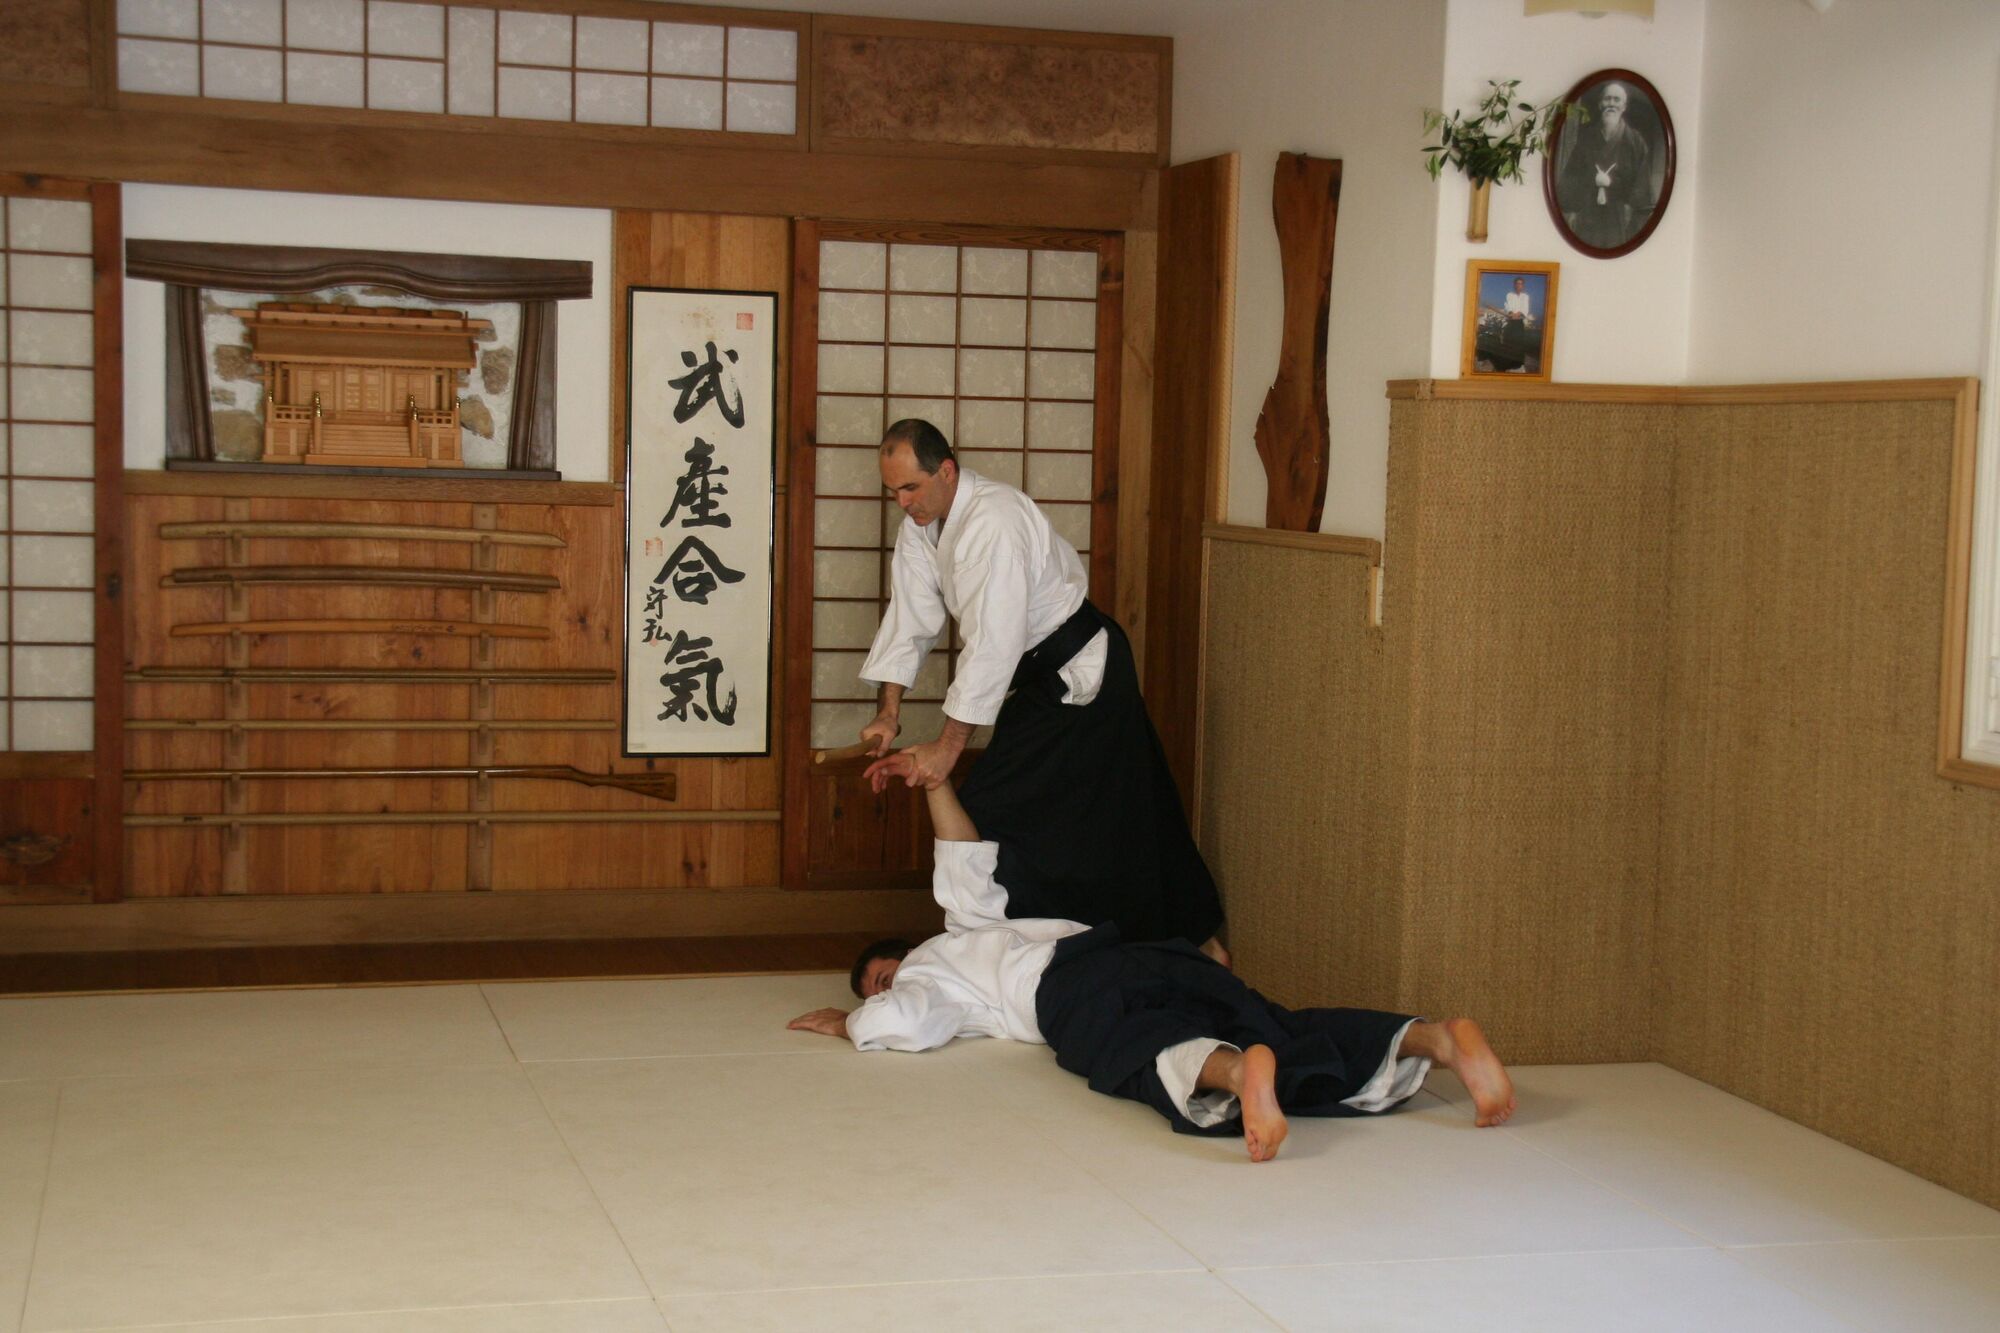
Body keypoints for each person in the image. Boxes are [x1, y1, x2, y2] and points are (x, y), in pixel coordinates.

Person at [787, 773, 1516, 1163]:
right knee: (1277, 1022)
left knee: (1136, 1050)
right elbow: (963, 859)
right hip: (1142, 948)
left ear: (899, 958)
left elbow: (908, 1021)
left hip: (1070, 989)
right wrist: (934, 782)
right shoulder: (976, 923)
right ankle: (1434, 1038)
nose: (885, 988)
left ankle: (1239, 1073)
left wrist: (852, 1020)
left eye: (878, 977)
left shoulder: (928, 971)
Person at [856, 418, 1226, 962]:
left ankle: (1171, 946)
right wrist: (888, 710)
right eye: (893, 491)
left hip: (1081, 674)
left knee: (1017, 812)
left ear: (947, 471)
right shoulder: (923, 524)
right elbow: (910, 616)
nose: (902, 503)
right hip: (1040, 681)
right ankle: (1157, 945)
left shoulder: (995, 521)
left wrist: (947, 749)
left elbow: (994, 644)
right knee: (1122, 807)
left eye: (910, 487)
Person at [1557, 80, 1652, 248]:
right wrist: (1574, 209)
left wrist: (1612, 183)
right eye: (1607, 99)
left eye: (1617, 100)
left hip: (1619, 220)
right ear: (1600, 104)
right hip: (1587, 216)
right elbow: (1571, 177)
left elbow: (1642, 189)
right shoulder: (1586, 138)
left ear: (1624, 106)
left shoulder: (1636, 142)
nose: (1611, 104)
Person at [1500, 277, 1537, 370]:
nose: (1518, 285)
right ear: (1514, 285)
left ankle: (1517, 364)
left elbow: (1525, 309)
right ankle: (1507, 363)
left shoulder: (1525, 296)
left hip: (1519, 322)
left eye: (1520, 284)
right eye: (1517, 283)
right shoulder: (1509, 295)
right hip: (1511, 321)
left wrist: (1517, 314)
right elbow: (1507, 305)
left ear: (1523, 286)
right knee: (1508, 340)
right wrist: (1510, 313)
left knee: (1519, 342)